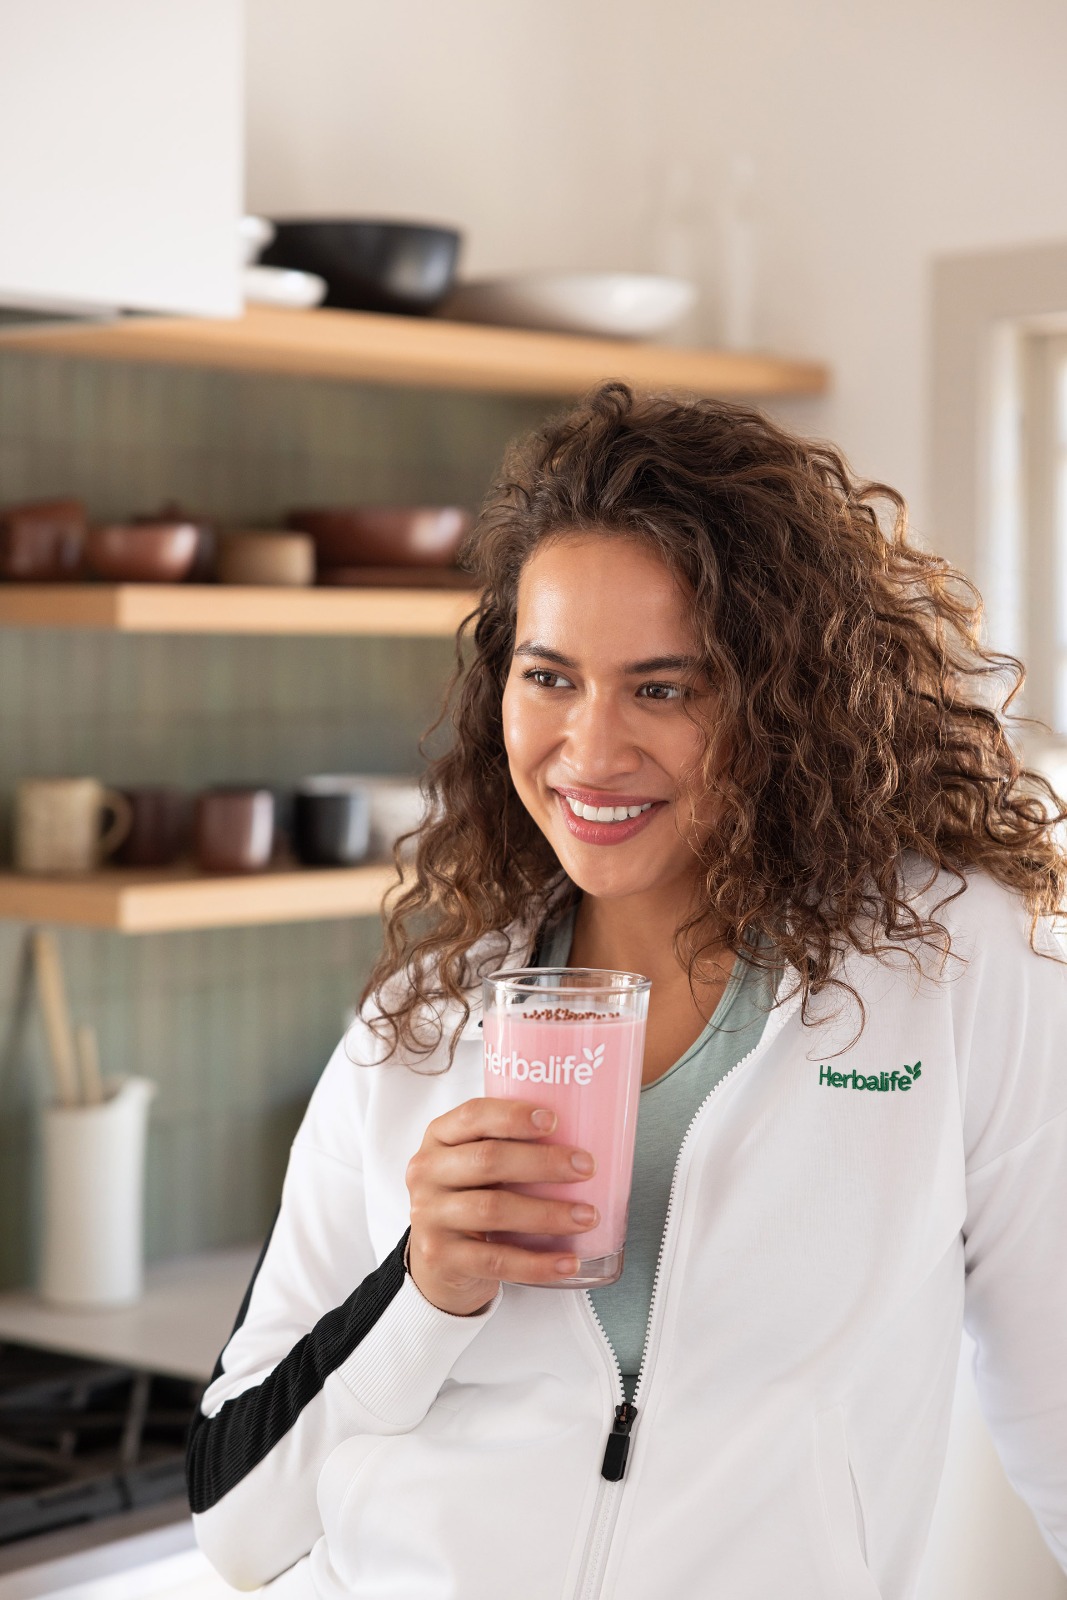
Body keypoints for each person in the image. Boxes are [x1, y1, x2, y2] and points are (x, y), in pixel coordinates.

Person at [186, 384, 1067, 1598]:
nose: (590, 752)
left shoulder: (950, 961)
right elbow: (235, 1522)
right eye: (549, 677)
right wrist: (423, 1286)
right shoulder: (425, 1022)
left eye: (663, 687)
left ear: (784, 700)